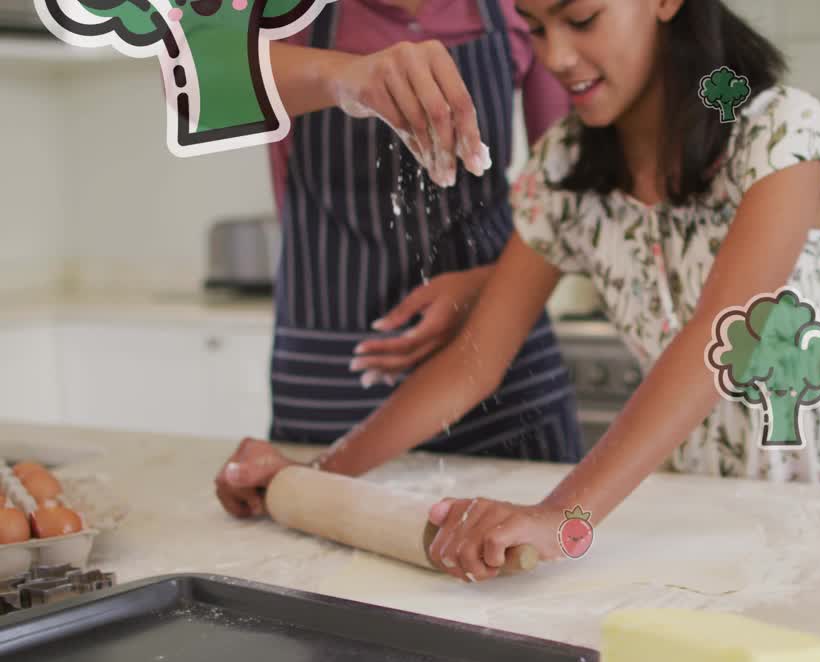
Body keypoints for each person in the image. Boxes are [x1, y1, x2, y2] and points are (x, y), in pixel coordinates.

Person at [217, 0, 820, 578]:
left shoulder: (778, 132)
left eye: (581, 18)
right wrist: (315, 474)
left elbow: (717, 340)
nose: (559, 57)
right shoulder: (564, 167)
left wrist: (562, 515)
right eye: (536, 28)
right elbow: (474, 360)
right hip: (686, 510)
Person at [214, 0, 585, 516]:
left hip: (501, 365)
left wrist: (491, 285)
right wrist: (343, 76)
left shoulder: (524, 10)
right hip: (332, 378)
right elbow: (199, 82)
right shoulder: (286, 12)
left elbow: (576, 194)